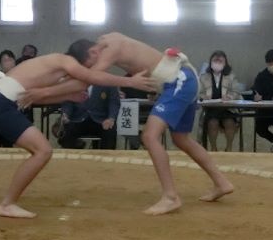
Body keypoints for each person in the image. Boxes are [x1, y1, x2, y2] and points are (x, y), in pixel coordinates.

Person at [0, 41, 155, 217]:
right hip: (0, 103)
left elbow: (30, 98)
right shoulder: (65, 61)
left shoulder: (53, 69)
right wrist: (129, 82)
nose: (99, 59)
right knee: (43, 151)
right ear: (89, 53)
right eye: (96, 54)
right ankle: (8, 204)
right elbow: (90, 77)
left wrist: (69, 94)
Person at [84, 33, 236, 216]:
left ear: (93, 51)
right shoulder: (114, 38)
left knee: (149, 136)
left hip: (179, 80)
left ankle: (170, 197)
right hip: (182, 79)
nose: (91, 63)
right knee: (181, 139)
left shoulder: (109, 47)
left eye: (88, 60)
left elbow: (91, 76)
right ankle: (221, 183)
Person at [58, 82, 121, 150]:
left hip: (100, 120)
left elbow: (114, 102)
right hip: (78, 119)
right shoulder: (73, 82)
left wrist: (111, 118)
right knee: (68, 129)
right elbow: (68, 102)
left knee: (110, 129)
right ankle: (70, 157)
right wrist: (66, 114)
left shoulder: (108, 81)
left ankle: (107, 158)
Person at [199, 51, 240, 152]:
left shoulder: (231, 76)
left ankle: (229, 148)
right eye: (215, 60)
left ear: (225, 63)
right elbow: (198, 93)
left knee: (230, 123)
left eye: (220, 61)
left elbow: (236, 92)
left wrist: (229, 97)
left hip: (227, 108)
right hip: (210, 108)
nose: (217, 63)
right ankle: (213, 148)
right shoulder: (204, 76)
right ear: (211, 62)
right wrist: (203, 96)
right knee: (212, 123)